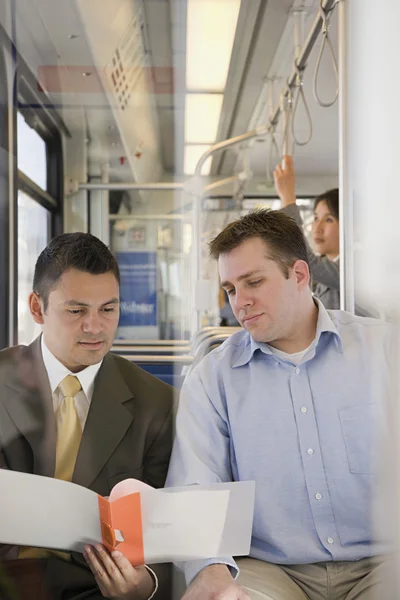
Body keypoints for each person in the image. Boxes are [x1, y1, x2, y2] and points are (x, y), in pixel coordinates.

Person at [166, 210, 391, 599]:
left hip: (385, 562)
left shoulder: (384, 350)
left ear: (300, 275)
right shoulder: (213, 378)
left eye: (254, 282)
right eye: (231, 289)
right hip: (272, 571)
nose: (241, 302)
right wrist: (211, 570)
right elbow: (196, 487)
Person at [0, 233, 174, 600]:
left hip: (95, 590)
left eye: (108, 309)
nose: (95, 327)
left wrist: (143, 585)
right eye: (76, 311)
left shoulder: (157, 405)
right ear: (37, 308)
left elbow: (168, 529)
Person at [274, 155, 340, 309]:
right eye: (316, 218)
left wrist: (288, 198)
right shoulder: (326, 273)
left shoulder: (354, 270)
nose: (318, 227)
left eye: (329, 219)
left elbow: (306, 259)